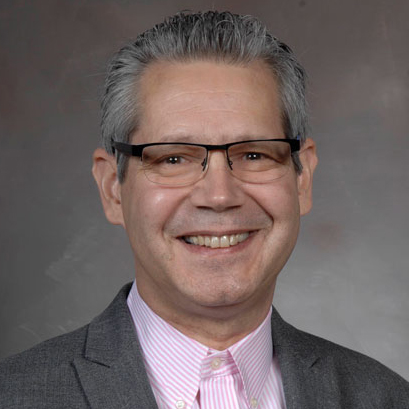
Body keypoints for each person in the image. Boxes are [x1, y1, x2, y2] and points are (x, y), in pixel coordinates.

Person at [0, 10, 408, 409]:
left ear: (302, 180)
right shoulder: (15, 396)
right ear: (113, 190)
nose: (219, 195)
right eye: (173, 158)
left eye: (254, 155)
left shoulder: (386, 398)